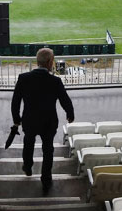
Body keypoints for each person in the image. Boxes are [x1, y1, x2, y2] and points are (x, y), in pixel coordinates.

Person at [11, 48, 74, 195]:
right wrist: (70, 113)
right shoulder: (55, 81)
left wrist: (16, 118)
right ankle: (46, 179)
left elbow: (16, 101)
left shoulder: (23, 78)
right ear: (50, 62)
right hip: (48, 122)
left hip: (29, 120)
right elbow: (65, 100)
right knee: (48, 150)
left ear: (37, 62)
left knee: (28, 143)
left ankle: (27, 167)